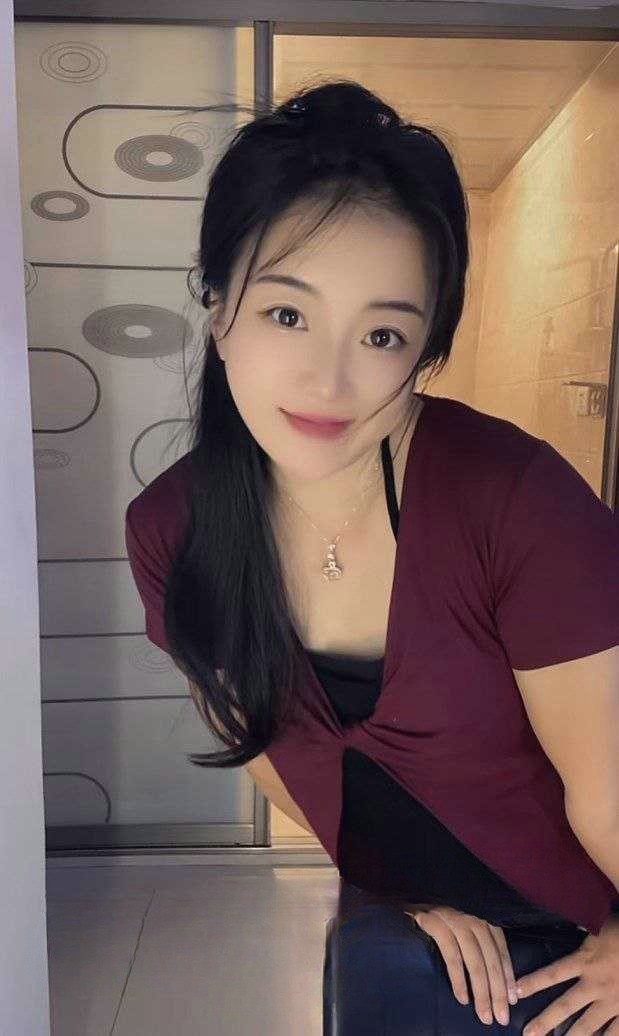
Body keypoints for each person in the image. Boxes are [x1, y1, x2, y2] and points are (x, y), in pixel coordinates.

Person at [125, 81, 619, 1033]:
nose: (329, 379)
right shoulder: (171, 529)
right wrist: (396, 892)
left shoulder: (512, 500)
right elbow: (265, 746)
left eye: (382, 333)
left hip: (580, 911)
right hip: (406, 914)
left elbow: (607, 792)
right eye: (286, 315)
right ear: (219, 308)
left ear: (423, 351)